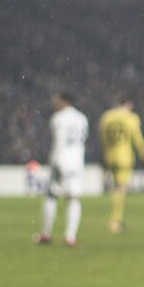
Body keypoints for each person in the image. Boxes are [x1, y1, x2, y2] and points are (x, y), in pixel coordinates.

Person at [36, 92, 89, 247]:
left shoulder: (58, 118)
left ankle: (46, 233)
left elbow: (59, 141)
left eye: (57, 99)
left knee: (51, 195)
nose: (54, 102)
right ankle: (70, 236)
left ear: (64, 101)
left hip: (61, 161)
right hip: (77, 163)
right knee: (73, 198)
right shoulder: (82, 118)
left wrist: (57, 162)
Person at [98, 94, 144, 233]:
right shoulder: (131, 117)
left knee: (115, 187)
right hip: (124, 156)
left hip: (109, 155)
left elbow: (102, 137)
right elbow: (137, 137)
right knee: (121, 188)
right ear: (128, 104)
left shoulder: (106, 116)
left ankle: (116, 219)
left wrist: (103, 155)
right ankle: (116, 220)